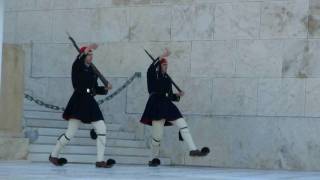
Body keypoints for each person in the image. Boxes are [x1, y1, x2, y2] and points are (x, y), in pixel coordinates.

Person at [140, 48, 210, 167]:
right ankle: (153, 158)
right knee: (157, 136)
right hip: (156, 104)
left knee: (183, 124)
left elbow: (169, 95)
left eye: (166, 65)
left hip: (167, 104)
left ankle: (193, 150)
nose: (165, 67)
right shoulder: (152, 75)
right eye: (163, 65)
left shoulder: (167, 79)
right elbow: (151, 68)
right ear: (159, 66)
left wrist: (177, 96)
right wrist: (161, 55)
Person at [49, 44, 115, 168]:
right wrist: (84, 51)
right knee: (70, 133)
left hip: (90, 102)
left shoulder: (91, 70)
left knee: (102, 128)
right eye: (89, 54)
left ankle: (100, 161)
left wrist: (105, 89)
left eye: (92, 54)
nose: (91, 57)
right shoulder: (77, 66)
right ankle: (53, 155)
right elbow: (79, 61)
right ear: (83, 55)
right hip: (79, 101)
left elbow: (94, 88)